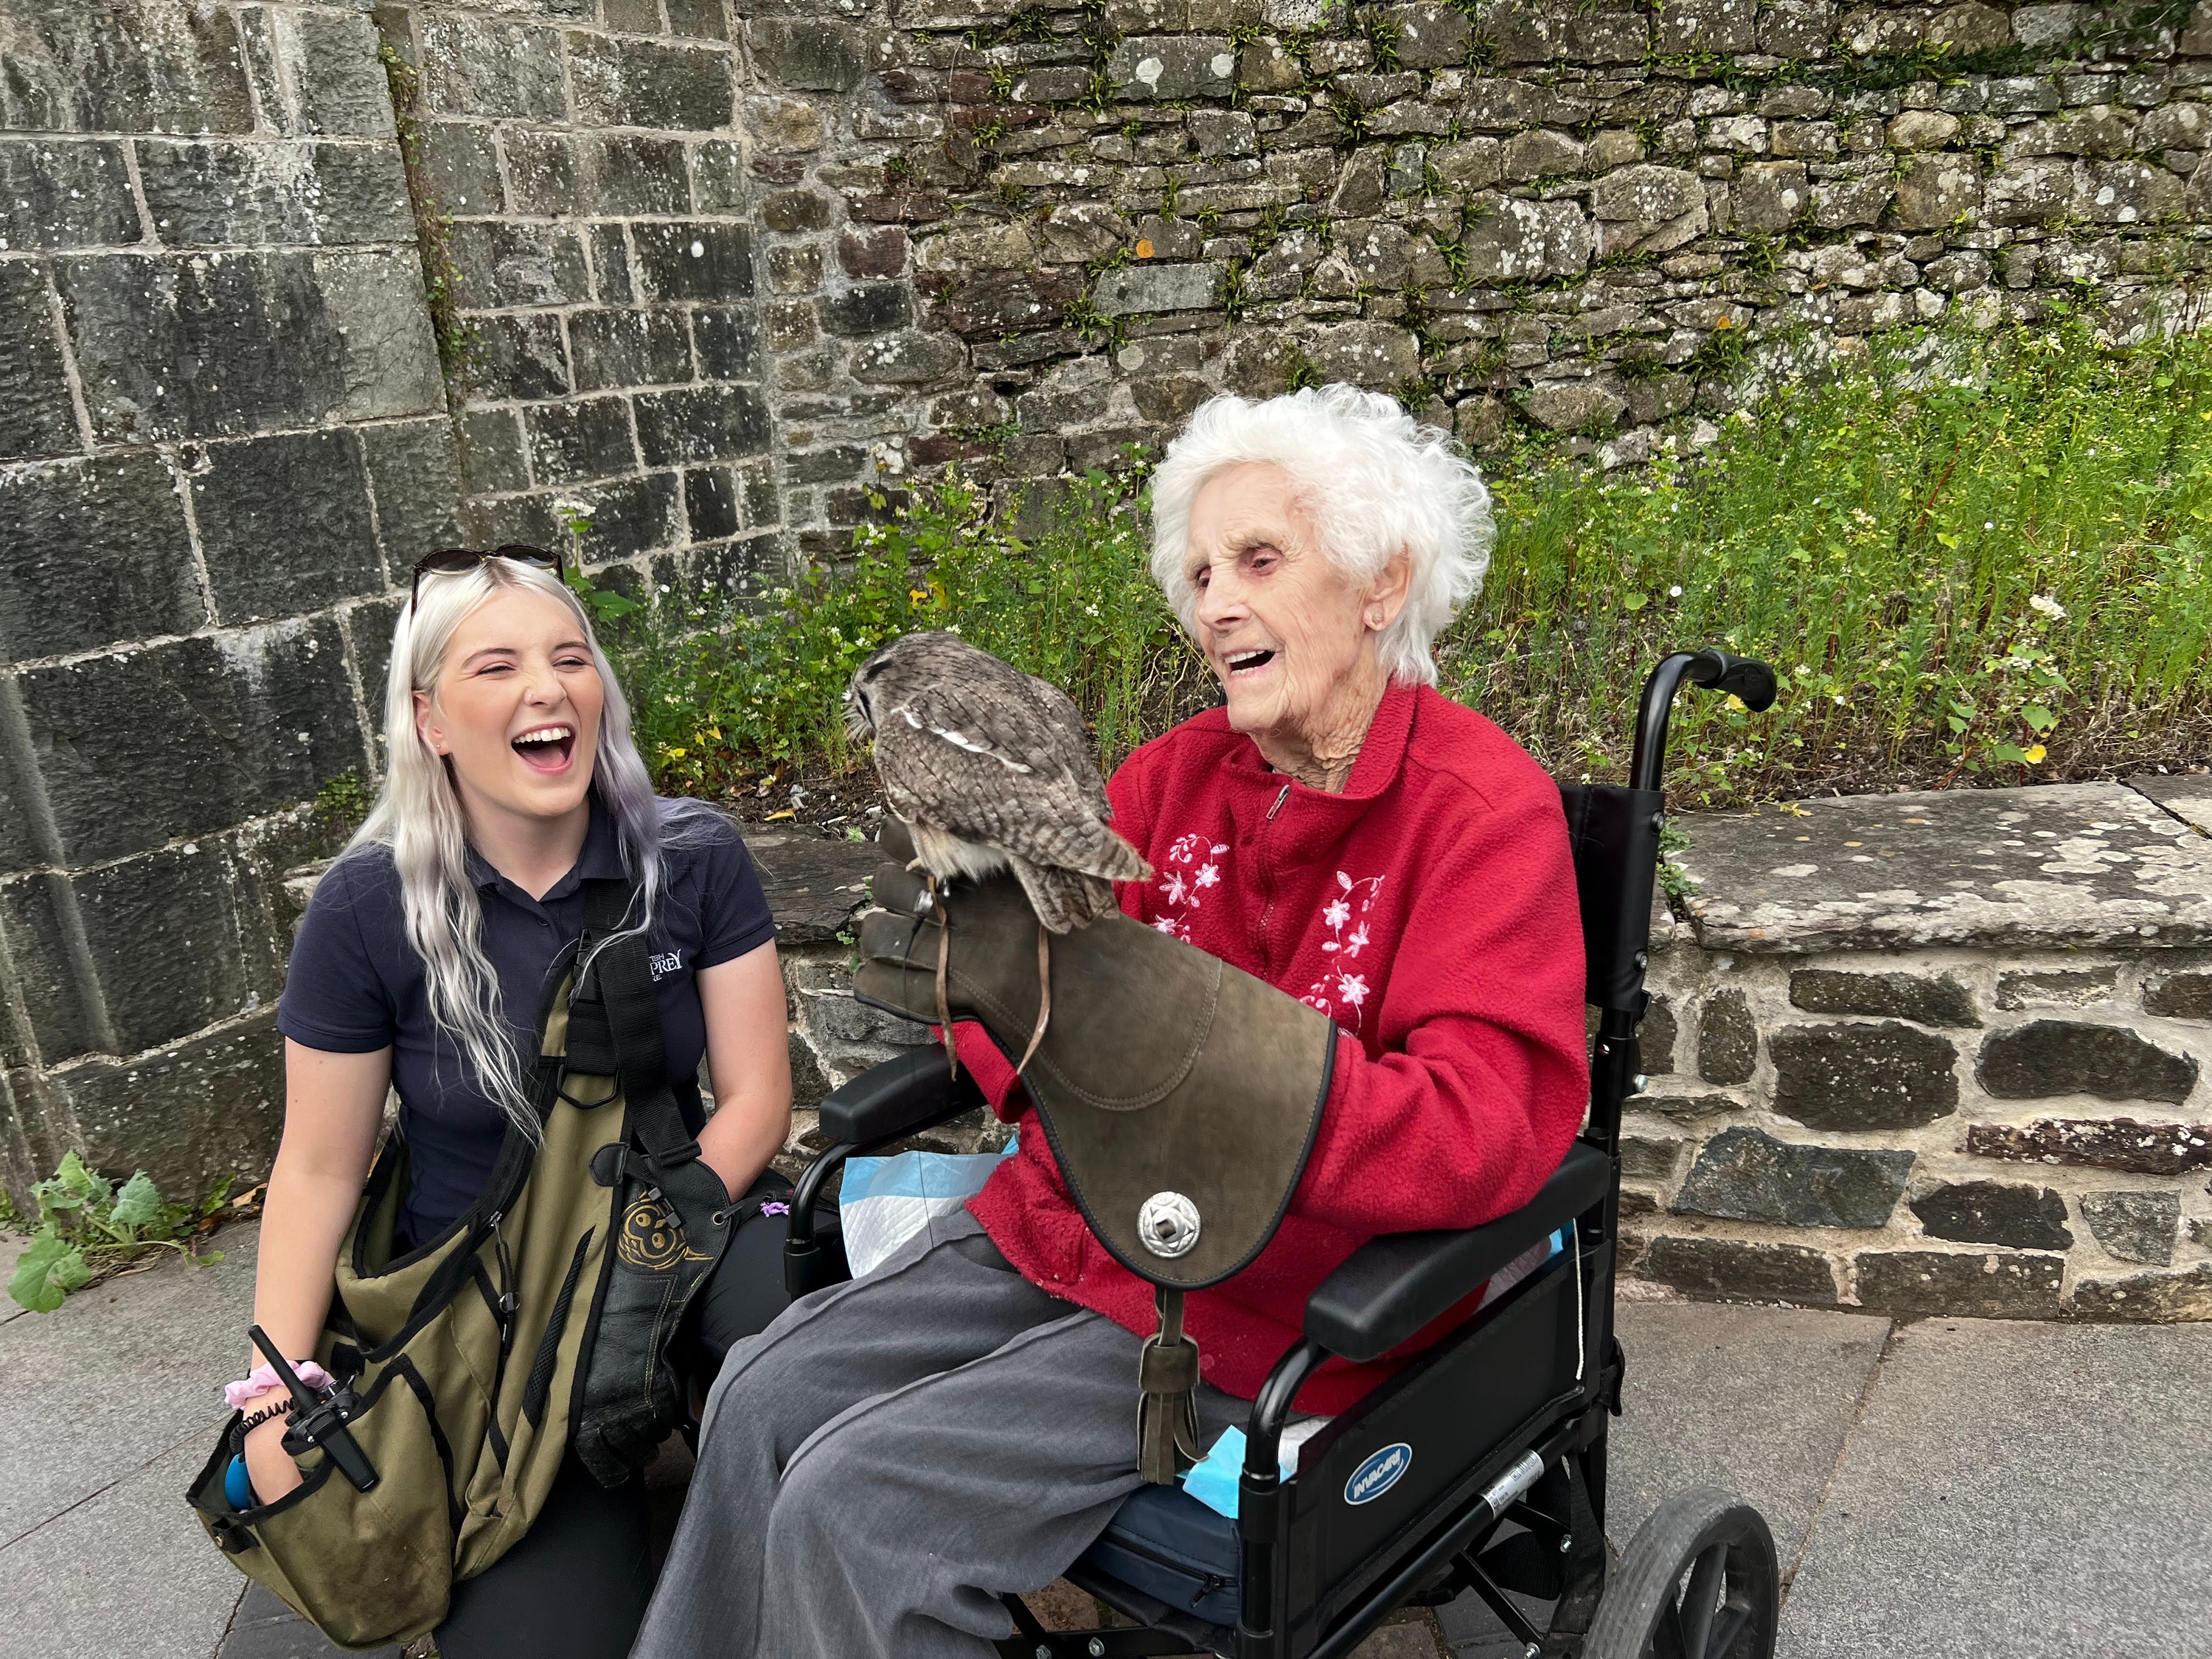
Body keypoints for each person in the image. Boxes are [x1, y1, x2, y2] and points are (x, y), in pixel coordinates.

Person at [632, 384, 1590, 1659]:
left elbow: (1485, 1133)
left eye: (1258, 559)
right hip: (1067, 1223)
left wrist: (1221, 1083)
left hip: (1256, 1297)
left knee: (853, 1500)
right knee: (758, 1392)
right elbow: (1009, 1014)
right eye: (1199, 573)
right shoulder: (1172, 778)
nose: (1216, 604)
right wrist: (999, 994)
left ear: (1382, 580)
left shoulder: (1481, 814)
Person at [242, 548, 795, 1658]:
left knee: (809, 1374)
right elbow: (318, 1166)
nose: (549, 689)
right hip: (496, 1303)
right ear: (431, 719)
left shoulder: (691, 859)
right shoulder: (365, 909)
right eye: (498, 665)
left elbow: (757, 1096)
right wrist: (272, 1389)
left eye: (571, 658)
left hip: (686, 1221)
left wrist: (652, 1248)